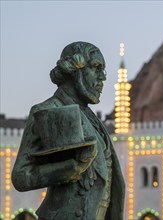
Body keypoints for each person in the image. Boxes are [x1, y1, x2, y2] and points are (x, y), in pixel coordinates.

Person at [11, 42, 125, 220]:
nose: (102, 77)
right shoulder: (48, 110)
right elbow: (21, 176)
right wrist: (68, 169)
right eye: (96, 67)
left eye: (103, 70)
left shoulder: (92, 117)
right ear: (75, 70)